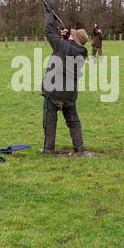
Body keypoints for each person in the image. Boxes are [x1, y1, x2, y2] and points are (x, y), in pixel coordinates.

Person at [42, 13, 89, 154]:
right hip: (70, 95)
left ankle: (48, 149)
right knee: (73, 121)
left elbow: (48, 31)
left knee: (49, 121)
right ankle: (79, 149)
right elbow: (69, 49)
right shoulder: (82, 52)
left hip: (54, 91)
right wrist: (65, 38)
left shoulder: (64, 46)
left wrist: (51, 15)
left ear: (72, 39)